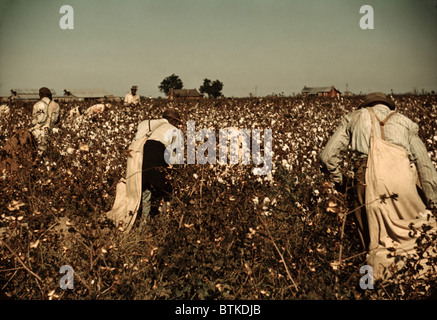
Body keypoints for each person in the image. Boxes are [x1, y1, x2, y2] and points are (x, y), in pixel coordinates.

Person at [319, 92, 437, 280]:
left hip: (365, 179)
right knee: (412, 234)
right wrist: (433, 201)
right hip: (402, 179)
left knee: (371, 241)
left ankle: (371, 288)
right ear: (389, 106)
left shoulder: (353, 118)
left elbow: (327, 156)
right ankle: (413, 283)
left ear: (365, 106)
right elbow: (424, 165)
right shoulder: (405, 122)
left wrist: (341, 181)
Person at [106, 108, 183, 232]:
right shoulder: (175, 131)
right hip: (155, 158)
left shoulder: (146, 123)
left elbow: (136, 141)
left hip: (135, 158)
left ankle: (127, 221)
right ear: (173, 120)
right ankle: (150, 227)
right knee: (160, 192)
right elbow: (175, 158)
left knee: (137, 192)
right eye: (177, 122)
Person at [30, 87, 61, 155]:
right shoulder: (56, 105)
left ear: (41, 94)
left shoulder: (38, 105)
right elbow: (57, 120)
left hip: (38, 132)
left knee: (38, 154)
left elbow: (35, 121)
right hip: (51, 132)